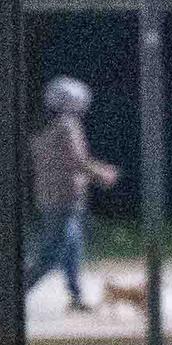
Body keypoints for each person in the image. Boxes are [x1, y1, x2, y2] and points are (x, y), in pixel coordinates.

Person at [26, 76, 119, 311]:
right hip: (64, 198)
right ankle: (10, 294)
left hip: (50, 196)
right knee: (51, 253)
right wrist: (103, 173)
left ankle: (76, 297)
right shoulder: (67, 125)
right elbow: (76, 160)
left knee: (72, 252)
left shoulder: (42, 126)